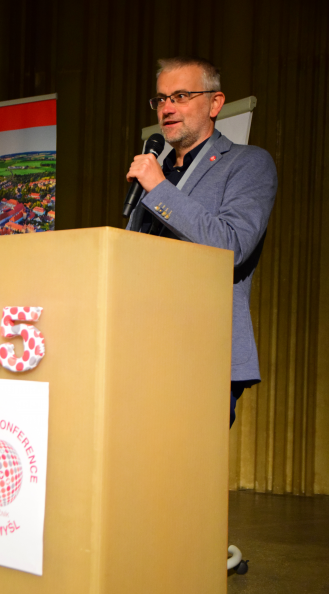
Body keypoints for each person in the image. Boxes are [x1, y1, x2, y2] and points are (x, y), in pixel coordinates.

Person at [126, 57, 277, 427]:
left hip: (202, 352)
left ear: (215, 103)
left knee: (185, 460)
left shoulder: (247, 163)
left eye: (181, 96)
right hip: (137, 348)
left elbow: (231, 246)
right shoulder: (157, 171)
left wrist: (159, 188)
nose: (167, 108)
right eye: (161, 99)